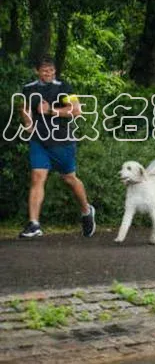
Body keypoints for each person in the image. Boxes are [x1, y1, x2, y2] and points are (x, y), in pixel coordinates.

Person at [18, 55, 96, 239]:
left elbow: (76, 110)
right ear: (37, 71)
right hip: (39, 140)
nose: (49, 74)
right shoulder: (28, 89)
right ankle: (34, 224)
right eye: (45, 71)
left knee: (69, 178)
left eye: (51, 70)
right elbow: (25, 108)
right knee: (37, 177)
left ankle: (86, 211)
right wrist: (28, 123)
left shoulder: (64, 87)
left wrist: (51, 110)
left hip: (62, 140)